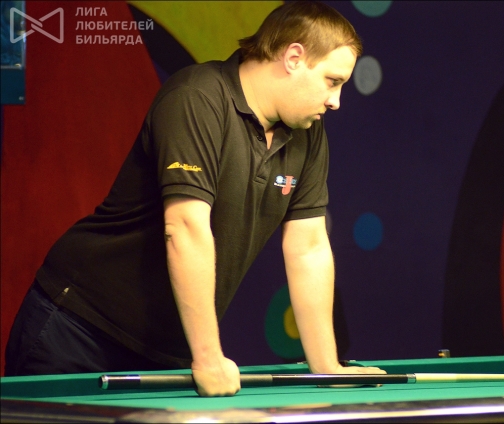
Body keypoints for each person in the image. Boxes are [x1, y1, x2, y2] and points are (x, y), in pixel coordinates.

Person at [4, 1, 385, 396]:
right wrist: (207, 357)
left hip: (165, 350)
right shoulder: (197, 97)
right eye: (332, 81)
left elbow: (308, 247)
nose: (336, 101)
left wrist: (326, 366)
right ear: (293, 58)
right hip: (80, 329)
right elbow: (185, 227)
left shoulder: (308, 132)